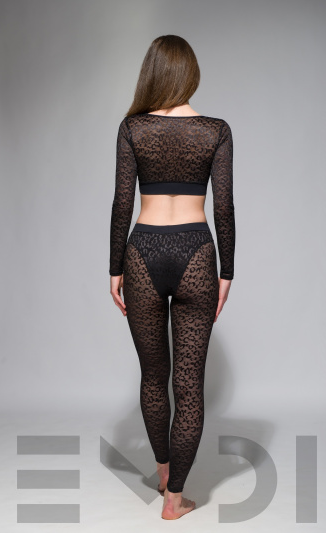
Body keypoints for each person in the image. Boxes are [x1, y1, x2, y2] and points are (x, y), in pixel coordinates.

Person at [109, 34, 236, 520]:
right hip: (197, 254)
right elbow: (223, 207)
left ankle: (163, 470)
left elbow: (122, 203)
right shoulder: (215, 131)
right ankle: (175, 499)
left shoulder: (133, 128)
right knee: (189, 385)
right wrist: (227, 271)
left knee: (152, 377)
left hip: (142, 252)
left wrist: (115, 267)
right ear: (191, 74)